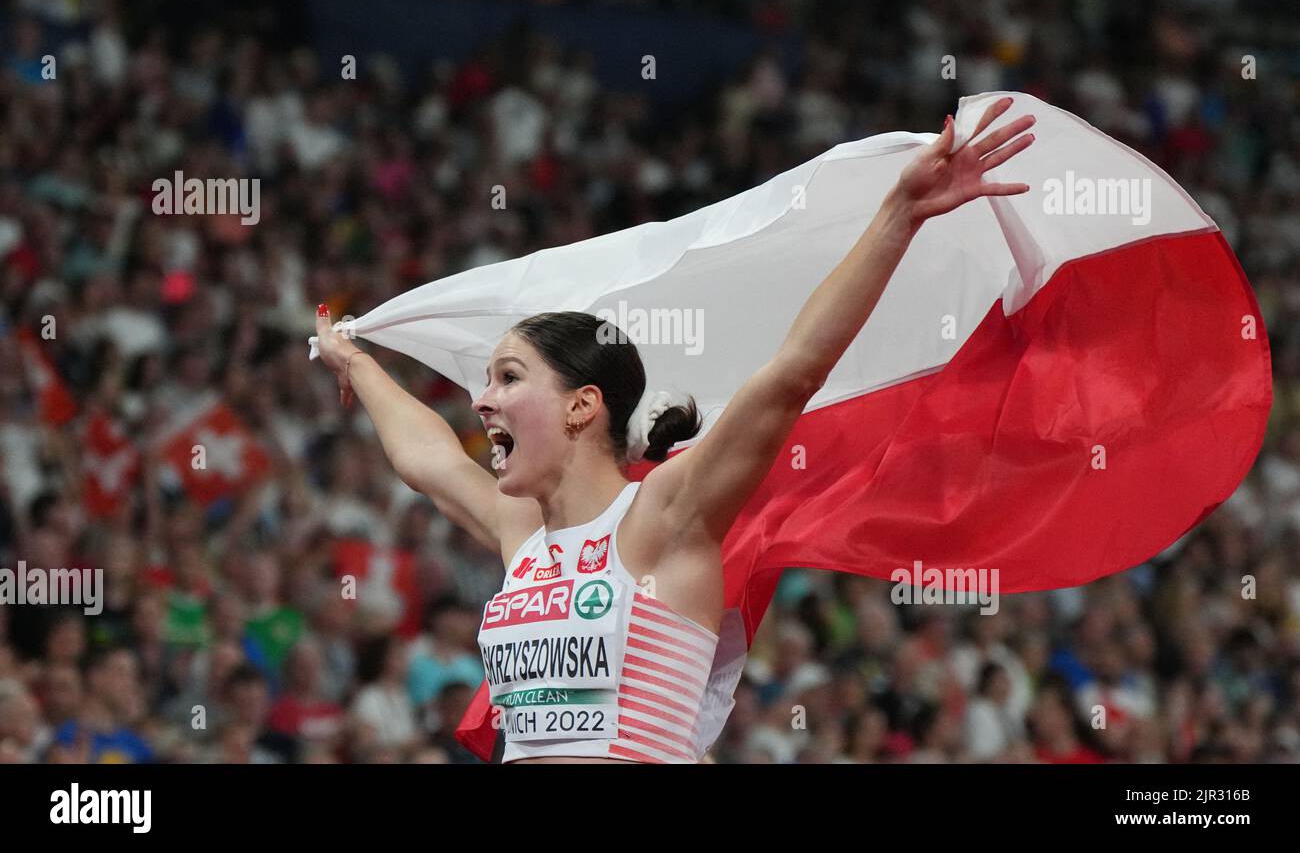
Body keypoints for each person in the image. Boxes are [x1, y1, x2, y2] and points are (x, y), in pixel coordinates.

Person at [312, 98, 1036, 762]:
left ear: (581, 406)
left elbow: (791, 374)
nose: (481, 402)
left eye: (507, 377)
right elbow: (427, 460)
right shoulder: (521, 536)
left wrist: (898, 216)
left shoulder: (663, 517)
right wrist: (355, 360)